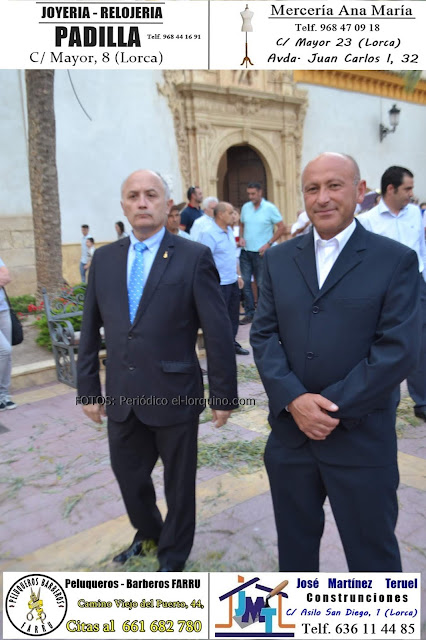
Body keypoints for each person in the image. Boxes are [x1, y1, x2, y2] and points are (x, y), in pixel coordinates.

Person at [251, 152, 421, 572]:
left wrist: (327, 408)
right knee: (295, 558)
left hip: (361, 441)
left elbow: (397, 350)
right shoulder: (277, 260)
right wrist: (294, 400)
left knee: (373, 561)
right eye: (312, 188)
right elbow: (264, 335)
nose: (322, 197)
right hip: (291, 440)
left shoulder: (395, 260)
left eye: (334, 186)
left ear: (360, 191)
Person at [77, 170, 238, 572]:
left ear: (168, 205)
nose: (142, 202)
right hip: (122, 394)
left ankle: (173, 555)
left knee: (178, 484)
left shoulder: (193, 256)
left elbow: (217, 331)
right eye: (133, 196)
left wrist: (223, 395)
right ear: (123, 206)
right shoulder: (104, 260)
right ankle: (149, 531)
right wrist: (88, 389)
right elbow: (90, 328)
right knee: (128, 476)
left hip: (174, 393)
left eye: (151, 195)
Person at [357, 166, 426, 422]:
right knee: (387, 344)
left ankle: (422, 400)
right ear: (390, 189)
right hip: (384, 290)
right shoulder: (368, 221)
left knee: (419, 342)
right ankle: (387, 399)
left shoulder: (415, 214)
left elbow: (421, 248)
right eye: (407, 188)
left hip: (416, 284)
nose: (411, 193)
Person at [199, 202, 249, 356]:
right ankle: (219, 348)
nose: (233, 215)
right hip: (218, 284)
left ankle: (231, 343)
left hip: (232, 281)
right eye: (230, 212)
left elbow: (232, 256)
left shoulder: (229, 231)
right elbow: (204, 261)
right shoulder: (209, 234)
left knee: (233, 316)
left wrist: (238, 275)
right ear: (220, 214)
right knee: (219, 318)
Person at [239, 182, 284, 325]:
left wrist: (269, 243)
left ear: (260, 192)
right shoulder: (246, 207)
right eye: (249, 194)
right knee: (245, 283)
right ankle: (249, 313)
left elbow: (281, 227)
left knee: (261, 284)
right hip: (246, 252)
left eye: (253, 194)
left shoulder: (270, 208)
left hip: (261, 253)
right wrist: (241, 237)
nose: (250, 196)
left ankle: (263, 313)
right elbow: (241, 223)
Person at [0, 259, 17, 411]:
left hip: (3, 310)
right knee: (5, 350)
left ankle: (4, 395)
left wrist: (2, 276)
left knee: (7, 355)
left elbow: (6, 277)